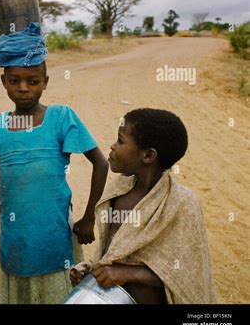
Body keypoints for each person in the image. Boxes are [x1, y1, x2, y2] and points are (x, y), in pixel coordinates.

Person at [0, 23, 109, 304]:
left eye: (33, 81)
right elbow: (0, 175)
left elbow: (101, 163)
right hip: (15, 237)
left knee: (58, 294)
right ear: (4, 82)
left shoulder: (62, 117)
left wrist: (89, 217)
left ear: (46, 82)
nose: (23, 88)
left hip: (55, 235)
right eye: (14, 81)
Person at [70, 108, 217, 304]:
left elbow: (188, 272)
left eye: (120, 141)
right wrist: (92, 271)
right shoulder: (118, 192)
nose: (112, 146)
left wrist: (131, 273)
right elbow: (113, 254)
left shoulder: (180, 203)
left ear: (148, 156)